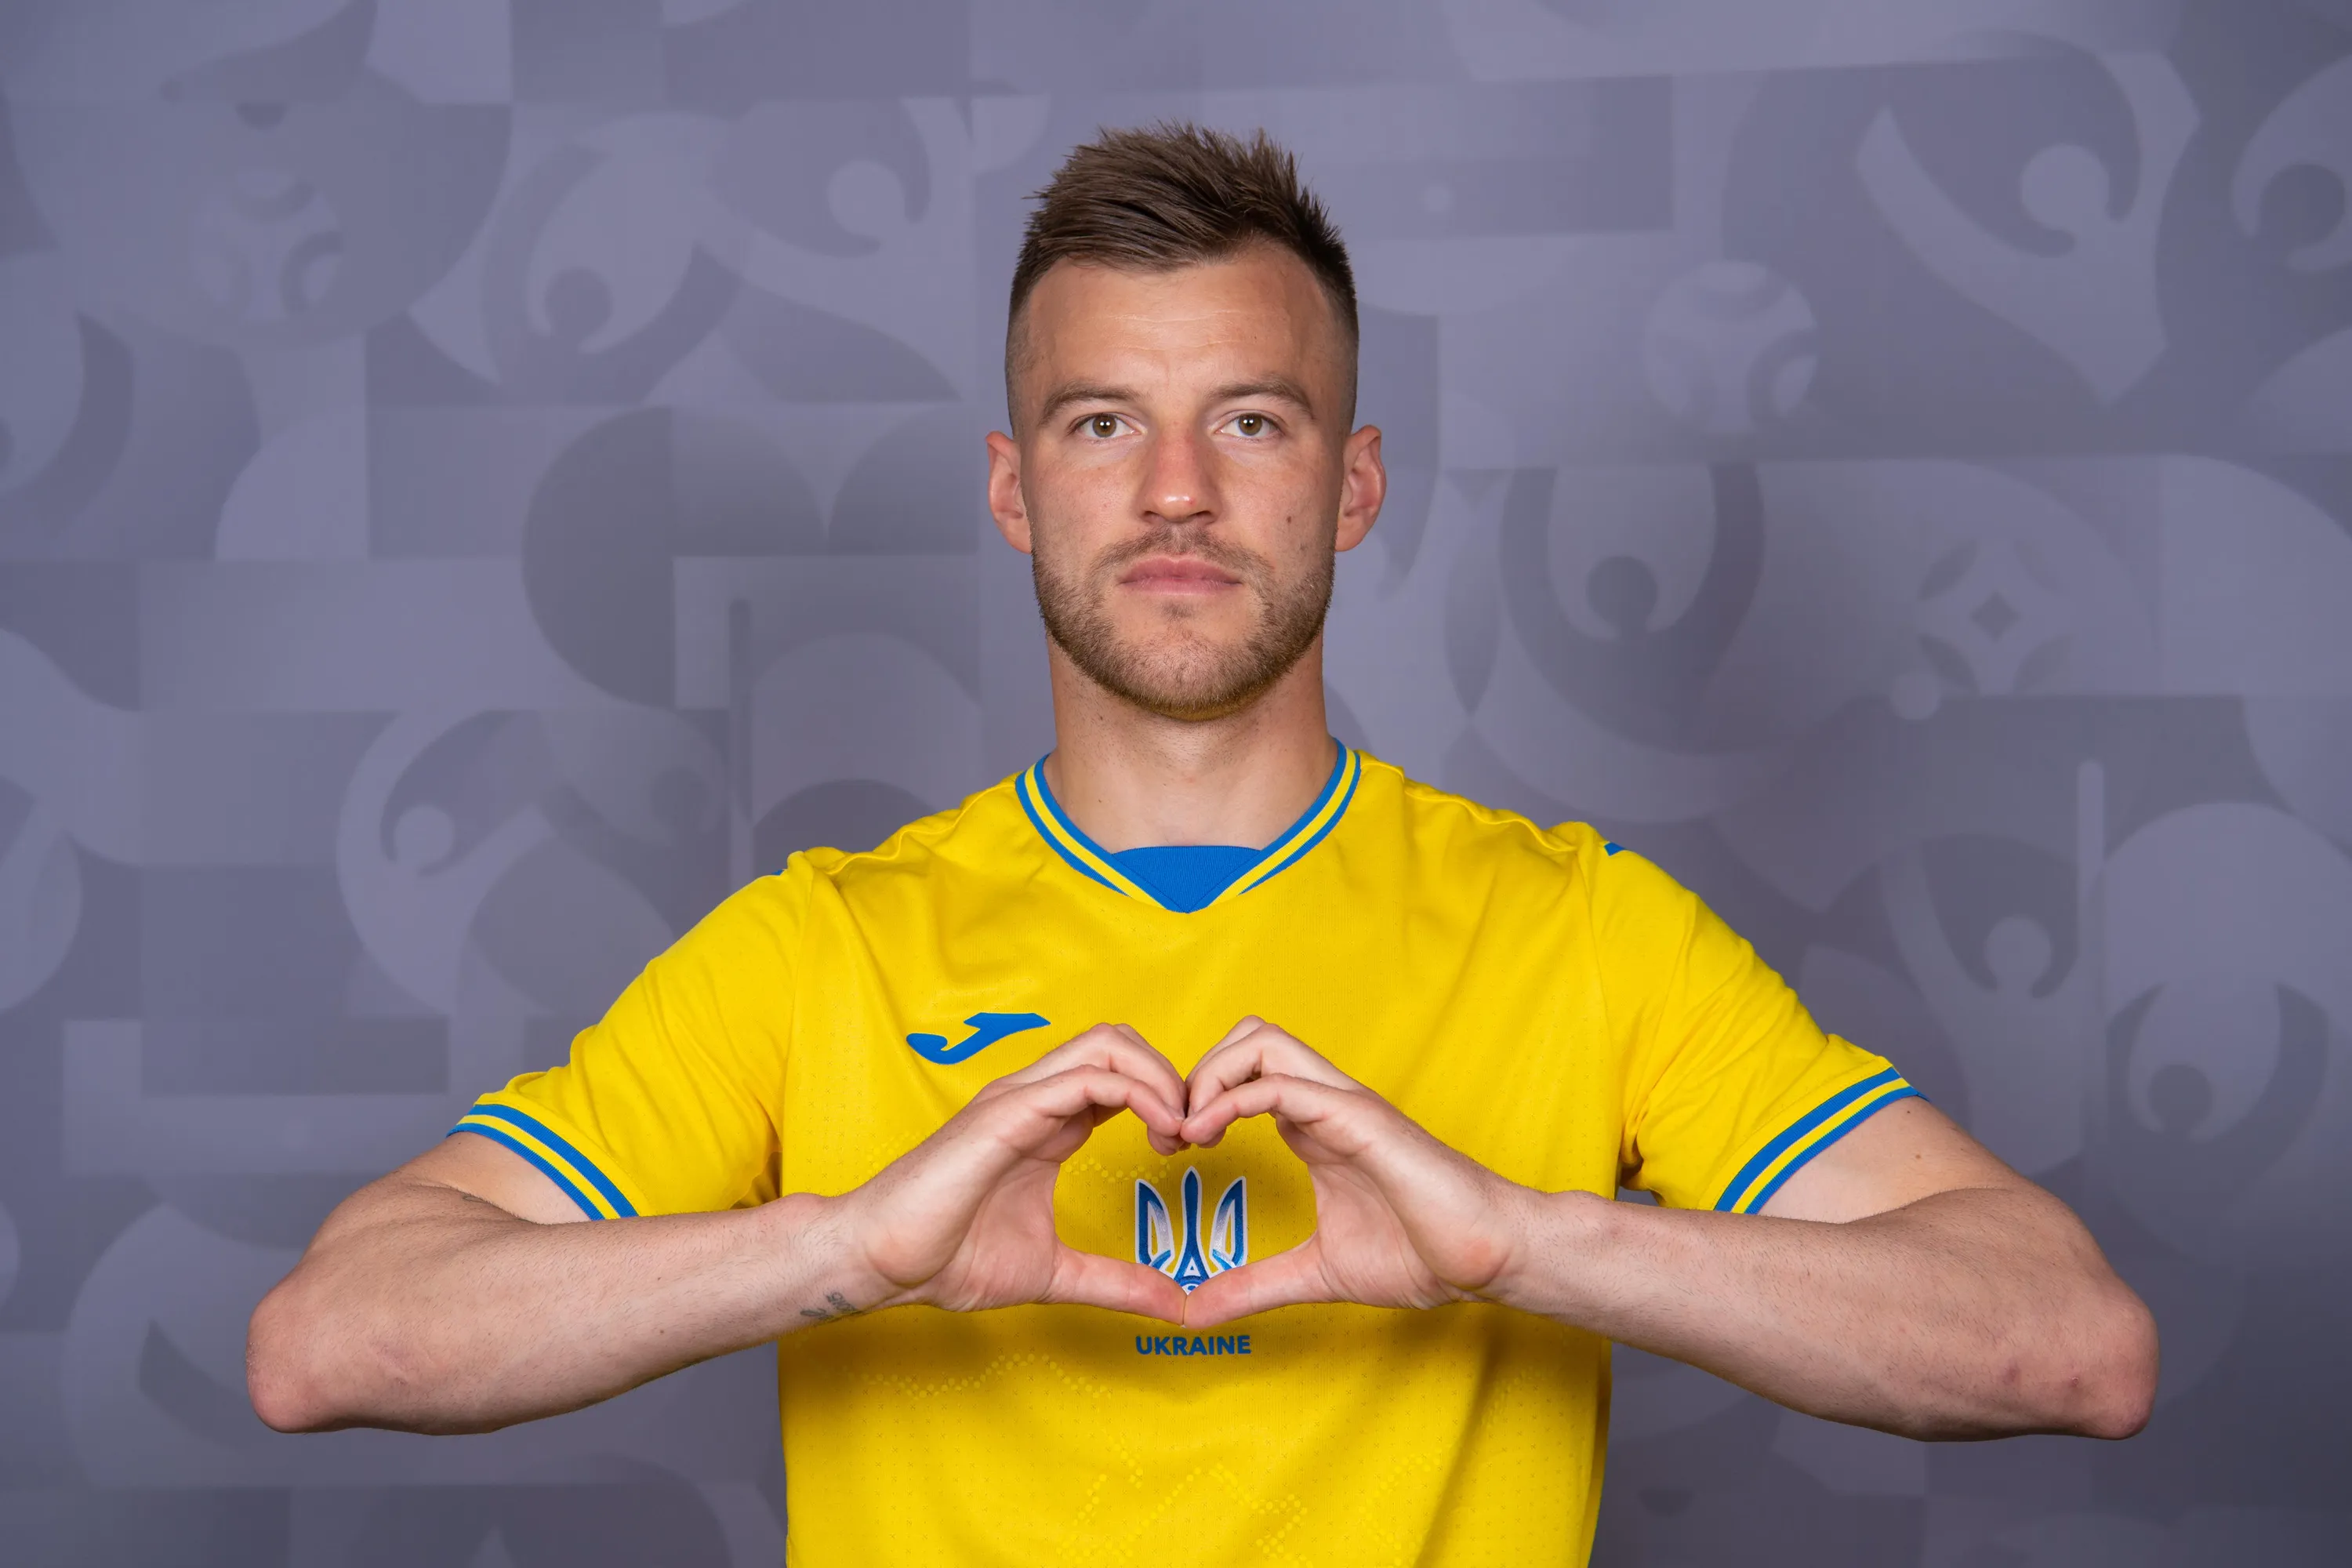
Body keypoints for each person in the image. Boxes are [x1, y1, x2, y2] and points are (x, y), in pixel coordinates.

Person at [246, 124, 2158, 1566]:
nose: (1175, 491)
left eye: (1250, 420)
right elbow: (330, 1340)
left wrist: (1529, 1242)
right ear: (1014, 487)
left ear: (1356, 481)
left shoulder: (1580, 932)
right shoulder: (819, 948)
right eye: (1101, 424)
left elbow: (2069, 1343)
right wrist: (839, 1250)